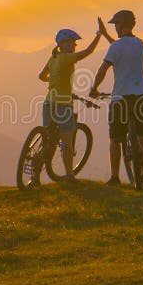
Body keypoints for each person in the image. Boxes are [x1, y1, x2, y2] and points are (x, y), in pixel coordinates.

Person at [37, 19, 105, 184]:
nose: (75, 45)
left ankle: (34, 176)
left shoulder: (53, 57)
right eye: (73, 42)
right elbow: (88, 51)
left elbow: (41, 76)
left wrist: (56, 81)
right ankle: (69, 176)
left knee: (48, 141)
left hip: (48, 103)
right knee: (67, 142)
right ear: (64, 43)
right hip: (62, 105)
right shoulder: (67, 58)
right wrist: (99, 34)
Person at [89, 10, 143, 187]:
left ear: (122, 24)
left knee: (116, 138)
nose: (115, 27)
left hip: (121, 98)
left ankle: (115, 178)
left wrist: (94, 88)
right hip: (141, 95)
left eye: (116, 24)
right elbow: (120, 49)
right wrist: (106, 35)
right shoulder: (140, 44)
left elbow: (104, 68)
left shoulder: (116, 47)